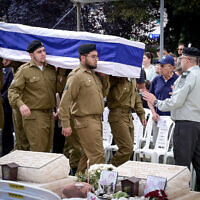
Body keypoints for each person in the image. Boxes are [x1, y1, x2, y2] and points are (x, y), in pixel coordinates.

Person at [142, 47, 200, 191]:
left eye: (180, 59)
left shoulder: (187, 76)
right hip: (197, 123)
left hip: (185, 125)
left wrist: (156, 102)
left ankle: (181, 194)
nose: (179, 61)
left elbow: (176, 102)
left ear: (186, 59)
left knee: (181, 165)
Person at [58, 43, 110, 172]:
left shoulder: (93, 75)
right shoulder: (76, 76)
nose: (96, 59)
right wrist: (65, 123)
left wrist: (105, 78)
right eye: (93, 56)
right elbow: (64, 102)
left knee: (87, 154)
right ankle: (97, 187)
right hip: (85, 120)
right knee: (97, 156)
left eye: (97, 56)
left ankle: (78, 182)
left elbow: (103, 94)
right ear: (83, 58)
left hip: (96, 119)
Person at [8, 40, 56, 152]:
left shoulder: (51, 69)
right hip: (34, 116)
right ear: (31, 55)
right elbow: (12, 91)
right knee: (37, 151)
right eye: (39, 52)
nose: (43, 54)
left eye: (44, 51)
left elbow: (55, 90)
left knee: (47, 149)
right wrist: (21, 105)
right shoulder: (24, 70)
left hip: (49, 115)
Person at [107, 76, 146, 167]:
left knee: (129, 149)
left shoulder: (132, 79)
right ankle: (108, 169)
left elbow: (136, 97)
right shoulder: (116, 78)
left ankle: (115, 172)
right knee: (126, 148)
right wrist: (122, 80)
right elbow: (115, 96)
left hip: (128, 115)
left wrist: (141, 114)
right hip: (117, 114)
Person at [148, 55, 178, 145]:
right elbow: (150, 98)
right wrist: (153, 112)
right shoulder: (156, 79)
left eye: (162, 66)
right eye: (159, 65)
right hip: (158, 118)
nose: (159, 68)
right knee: (156, 145)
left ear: (171, 67)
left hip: (172, 120)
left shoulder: (178, 80)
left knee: (171, 146)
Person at [1, 59, 14, 156]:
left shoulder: (10, 70)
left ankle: (6, 153)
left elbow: (10, 88)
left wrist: (1, 99)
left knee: (6, 132)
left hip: (5, 106)